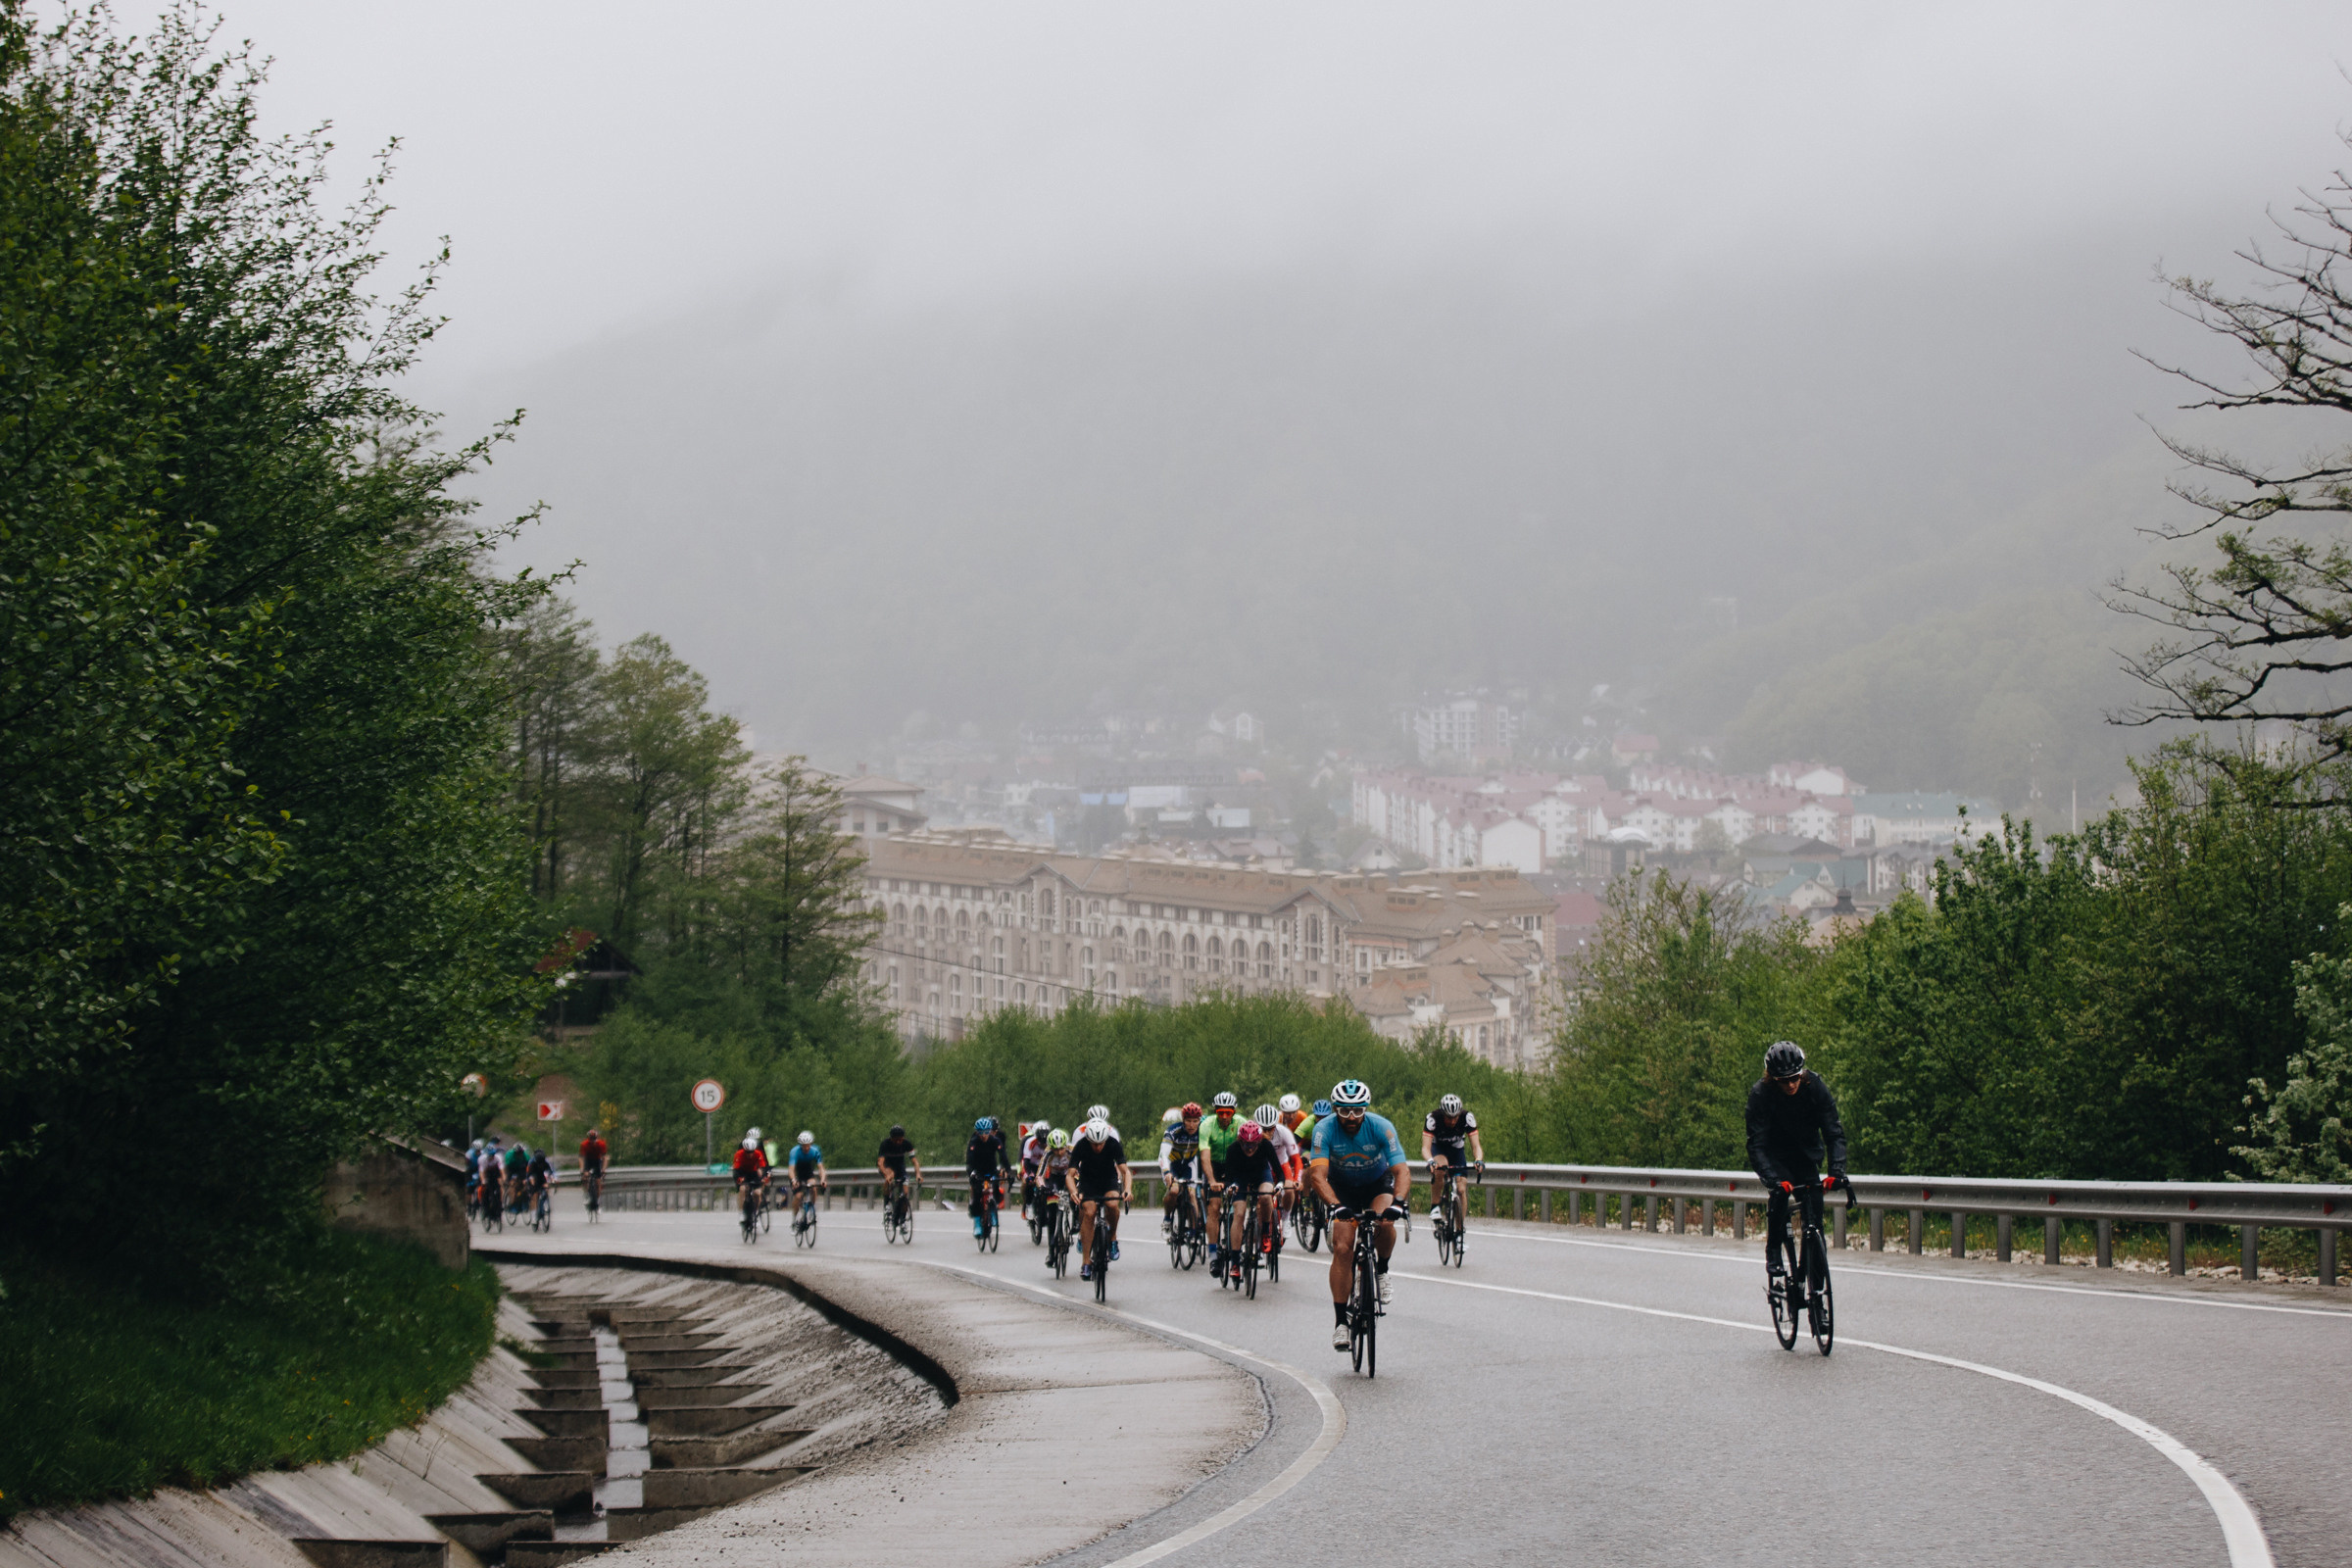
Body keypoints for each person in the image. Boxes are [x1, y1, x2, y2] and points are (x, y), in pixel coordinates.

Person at [1307, 1078, 1411, 1350]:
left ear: (1366, 1109)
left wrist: (1399, 1202)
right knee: (1343, 1248)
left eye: (1357, 1111)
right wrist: (1334, 1205)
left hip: (1376, 1185)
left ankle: (1382, 1270)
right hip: (1342, 1190)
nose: (1351, 1117)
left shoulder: (1382, 1127)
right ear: (1335, 1110)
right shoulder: (1323, 1130)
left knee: (1386, 1222)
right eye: (1344, 1111)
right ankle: (1341, 1322)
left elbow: (1401, 1170)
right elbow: (1317, 1176)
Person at [1745, 1041, 1848, 1293]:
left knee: (1815, 1226)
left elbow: (1834, 1132)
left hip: (1806, 1157)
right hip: (1776, 1158)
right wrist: (1773, 1180)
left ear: (1801, 1073)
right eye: (1784, 1081)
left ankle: (1815, 1291)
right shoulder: (1761, 1095)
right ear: (1773, 1078)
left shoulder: (1815, 1087)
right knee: (1780, 1195)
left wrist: (1836, 1172)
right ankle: (1773, 1252)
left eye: (1795, 1078)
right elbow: (1756, 1145)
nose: (1791, 1085)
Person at [1213, 1119, 1284, 1278]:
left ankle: (1265, 1233)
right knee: (1239, 1213)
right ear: (1240, 1142)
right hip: (1240, 1177)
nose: (1250, 1149)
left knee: (1266, 1196)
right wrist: (1231, 1186)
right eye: (1246, 1145)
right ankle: (1235, 1262)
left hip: (1261, 1175)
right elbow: (1229, 1177)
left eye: (1253, 1145)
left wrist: (1279, 1185)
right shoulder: (1233, 1149)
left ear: (1259, 1142)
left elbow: (1279, 1172)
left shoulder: (1266, 1145)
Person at [1065, 1117, 1130, 1280]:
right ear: (1088, 1139)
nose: (1098, 1147)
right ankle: (1086, 1263)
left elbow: (1125, 1171)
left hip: (1108, 1180)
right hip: (1088, 1182)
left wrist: (1127, 1190)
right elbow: (1070, 1175)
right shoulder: (1081, 1146)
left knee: (1113, 1204)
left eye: (1101, 1143)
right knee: (1089, 1212)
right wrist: (1073, 1191)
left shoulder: (1113, 1144)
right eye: (1094, 1144)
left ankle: (1112, 1237)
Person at [1423, 1094, 1485, 1219]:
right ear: (1442, 1114)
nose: (1452, 1121)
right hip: (1439, 1148)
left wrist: (1478, 1160)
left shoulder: (1467, 1118)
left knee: (1461, 1190)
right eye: (1448, 1118)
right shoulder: (1432, 1119)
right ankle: (1435, 1206)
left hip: (1457, 1151)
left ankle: (1460, 1227)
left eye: (1455, 1118)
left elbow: (1476, 1146)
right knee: (1441, 1167)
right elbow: (1425, 1148)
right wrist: (1430, 1161)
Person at [1200, 1092, 1244, 1271]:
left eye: (1228, 1113)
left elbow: (1247, 1152)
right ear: (1215, 1111)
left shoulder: (1241, 1123)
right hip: (1214, 1166)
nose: (1224, 1117)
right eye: (1220, 1112)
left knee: (1239, 1206)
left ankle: (1237, 1245)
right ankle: (1212, 1253)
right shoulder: (1207, 1125)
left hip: (1234, 1165)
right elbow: (1205, 1157)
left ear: (1234, 1112)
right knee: (1214, 1207)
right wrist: (1211, 1180)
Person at [1253, 1103, 1301, 1238]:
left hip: (1281, 1165)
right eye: (1263, 1129)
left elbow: (1296, 1158)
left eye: (1270, 1129)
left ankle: (1286, 1218)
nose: (1267, 1133)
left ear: (1275, 1125)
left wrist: (1297, 1179)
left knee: (1289, 1189)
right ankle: (1261, 1236)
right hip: (1262, 1168)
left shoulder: (1283, 1132)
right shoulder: (1251, 1133)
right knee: (1262, 1204)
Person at [1159, 1102, 1205, 1238]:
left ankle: (1194, 1230)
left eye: (1195, 1121)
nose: (1192, 1125)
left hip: (1189, 1164)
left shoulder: (1202, 1131)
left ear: (1199, 1120)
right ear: (1183, 1120)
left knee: (1192, 1194)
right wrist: (1167, 1172)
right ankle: (1167, 1220)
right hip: (1172, 1163)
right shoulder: (1173, 1131)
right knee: (1174, 1191)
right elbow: (1163, 1154)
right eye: (1188, 1121)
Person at [966, 1116, 1009, 1237]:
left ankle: (993, 1209)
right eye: (981, 1132)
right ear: (977, 1132)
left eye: (986, 1132)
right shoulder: (974, 1142)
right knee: (977, 1193)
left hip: (991, 1169)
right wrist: (972, 1173)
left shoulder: (995, 1140)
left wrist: (1007, 1170)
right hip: (977, 1170)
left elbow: (1003, 1156)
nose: (984, 1135)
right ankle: (977, 1222)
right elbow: (969, 1161)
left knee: (995, 1187)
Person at [876, 1123, 921, 1224]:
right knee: (890, 1175)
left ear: (903, 1138)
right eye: (895, 1139)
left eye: (900, 1139)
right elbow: (880, 1163)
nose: (898, 1142)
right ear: (891, 1138)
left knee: (905, 1193)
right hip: (887, 1166)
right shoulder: (885, 1144)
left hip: (900, 1167)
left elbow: (915, 1161)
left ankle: (902, 1220)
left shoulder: (906, 1144)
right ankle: (887, 1204)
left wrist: (918, 1174)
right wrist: (886, 1174)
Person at [731, 1133, 769, 1224]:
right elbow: (736, 1170)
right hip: (742, 1173)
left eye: (752, 1152)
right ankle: (741, 1212)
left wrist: (763, 1176)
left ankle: (755, 1211)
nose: (750, 1154)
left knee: (757, 1193)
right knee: (742, 1189)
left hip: (753, 1173)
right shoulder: (739, 1154)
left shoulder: (758, 1154)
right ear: (744, 1150)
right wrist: (739, 1179)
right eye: (748, 1152)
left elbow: (763, 1167)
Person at [1019, 1119, 1052, 1226]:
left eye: (1044, 1142)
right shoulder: (1030, 1142)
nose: (1042, 1145)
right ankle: (1028, 1204)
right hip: (1031, 1165)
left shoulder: (1050, 1143)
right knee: (1028, 1181)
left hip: (1045, 1165)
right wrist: (1030, 1175)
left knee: (1048, 1184)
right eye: (1040, 1142)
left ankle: (1047, 1207)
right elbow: (1026, 1161)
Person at [786, 1130, 826, 1215]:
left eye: (808, 1145)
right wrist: (793, 1180)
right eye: (804, 1146)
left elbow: (821, 1168)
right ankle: (795, 1216)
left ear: (811, 1144)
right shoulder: (794, 1152)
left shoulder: (815, 1150)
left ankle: (811, 1208)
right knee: (798, 1196)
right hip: (797, 1174)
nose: (806, 1148)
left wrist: (823, 1180)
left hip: (808, 1172)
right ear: (800, 1145)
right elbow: (791, 1170)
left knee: (813, 1187)